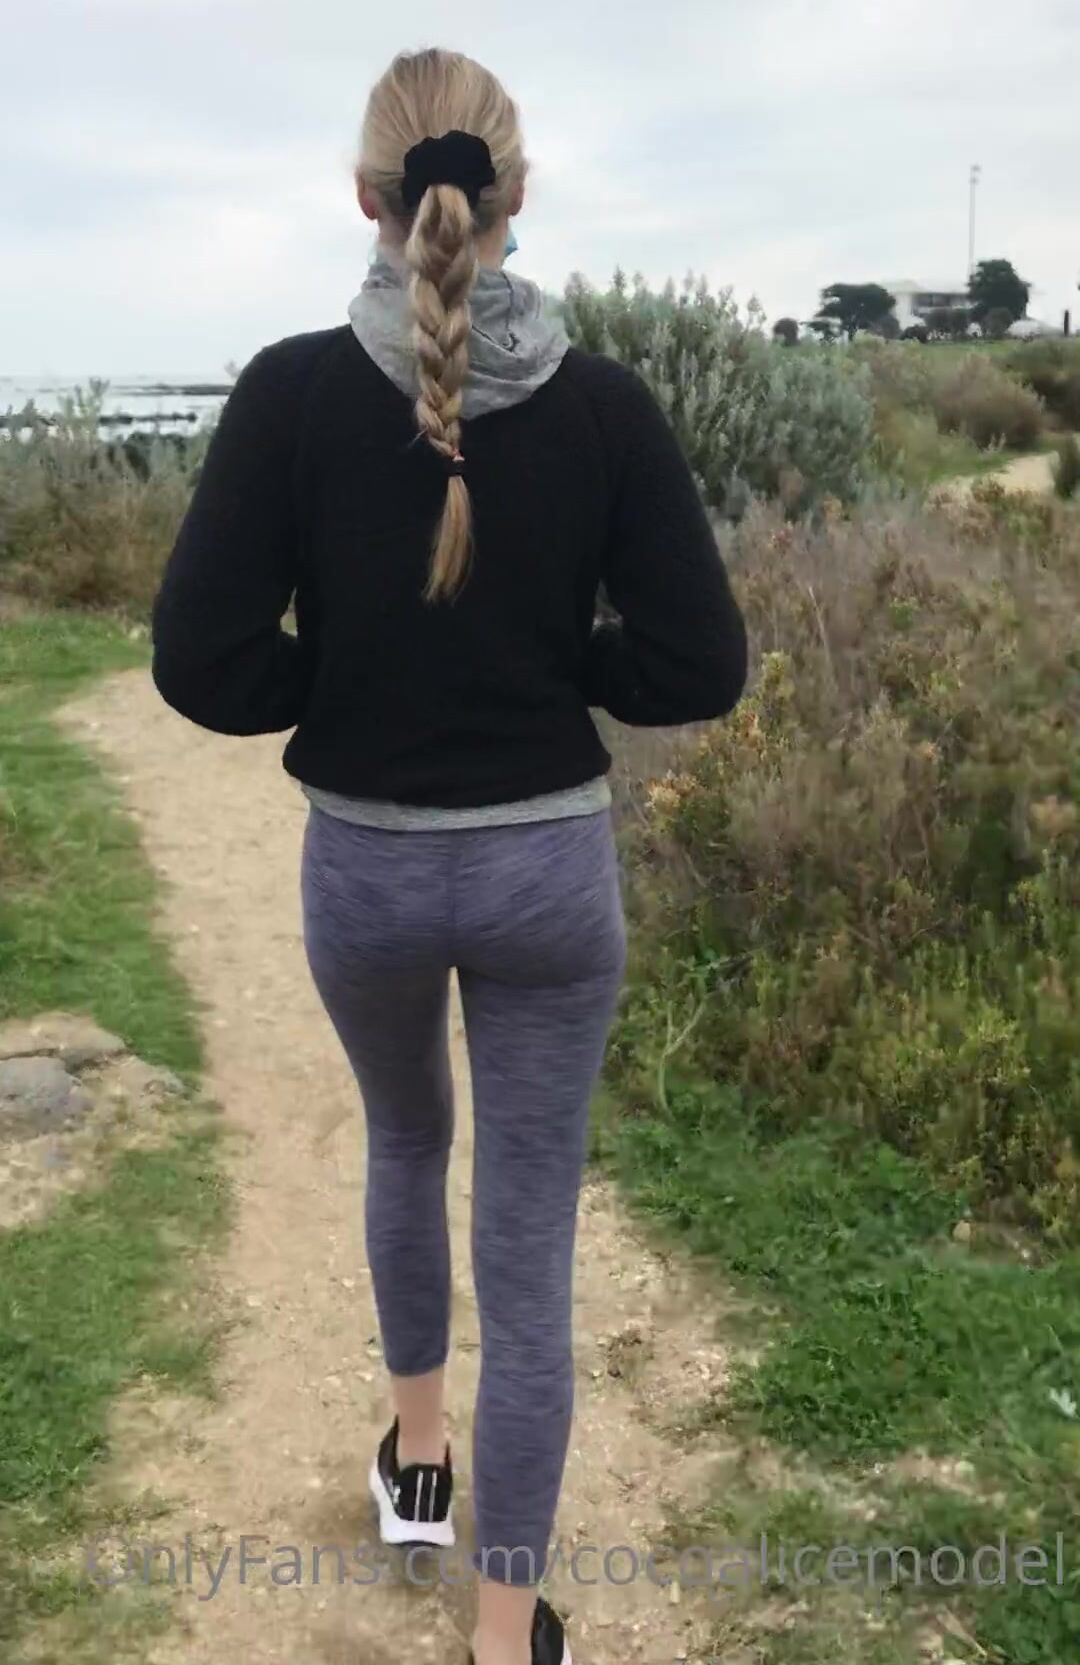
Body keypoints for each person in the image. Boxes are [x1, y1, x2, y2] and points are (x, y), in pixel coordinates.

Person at [151, 45, 747, 1665]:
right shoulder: (607, 407)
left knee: (407, 1142)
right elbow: (701, 663)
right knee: (530, 1253)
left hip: (367, 875)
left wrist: (337, 688)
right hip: (550, 878)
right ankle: (500, 1634)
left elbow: (199, 658)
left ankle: (417, 1456)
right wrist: (564, 671)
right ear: (517, 196)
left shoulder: (286, 394)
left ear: (364, 196)